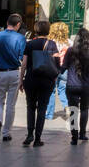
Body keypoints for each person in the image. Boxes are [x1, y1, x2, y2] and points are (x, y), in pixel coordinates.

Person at [0, 13, 26, 142]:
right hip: (14, 72)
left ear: (7, 22)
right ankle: (6, 133)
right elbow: (22, 57)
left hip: (0, 72)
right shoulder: (20, 38)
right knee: (11, 105)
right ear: (18, 25)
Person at [19, 19, 62, 147]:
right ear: (48, 30)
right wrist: (54, 78)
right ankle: (38, 138)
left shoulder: (30, 44)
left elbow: (24, 64)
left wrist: (21, 79)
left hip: (31, 79)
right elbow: (57, 62)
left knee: (30, 107)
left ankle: (29, 134)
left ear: (36, 30)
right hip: (46, 80)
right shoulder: (52, 44)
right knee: (42, 108)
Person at [60, 27, 89, 145]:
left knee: (73, 110)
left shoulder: (70, 51)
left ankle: (74, 136)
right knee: (84, 109)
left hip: (72, 85)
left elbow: (63, 68)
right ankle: (83, 133)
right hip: (87, 85)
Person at [45, 22, 72, 123]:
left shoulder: (50, 42)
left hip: (52, 69)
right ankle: (67, 106)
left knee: (51, 91)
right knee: (62, 90)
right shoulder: (69, 42)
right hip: (65, 69)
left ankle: (49, 114)